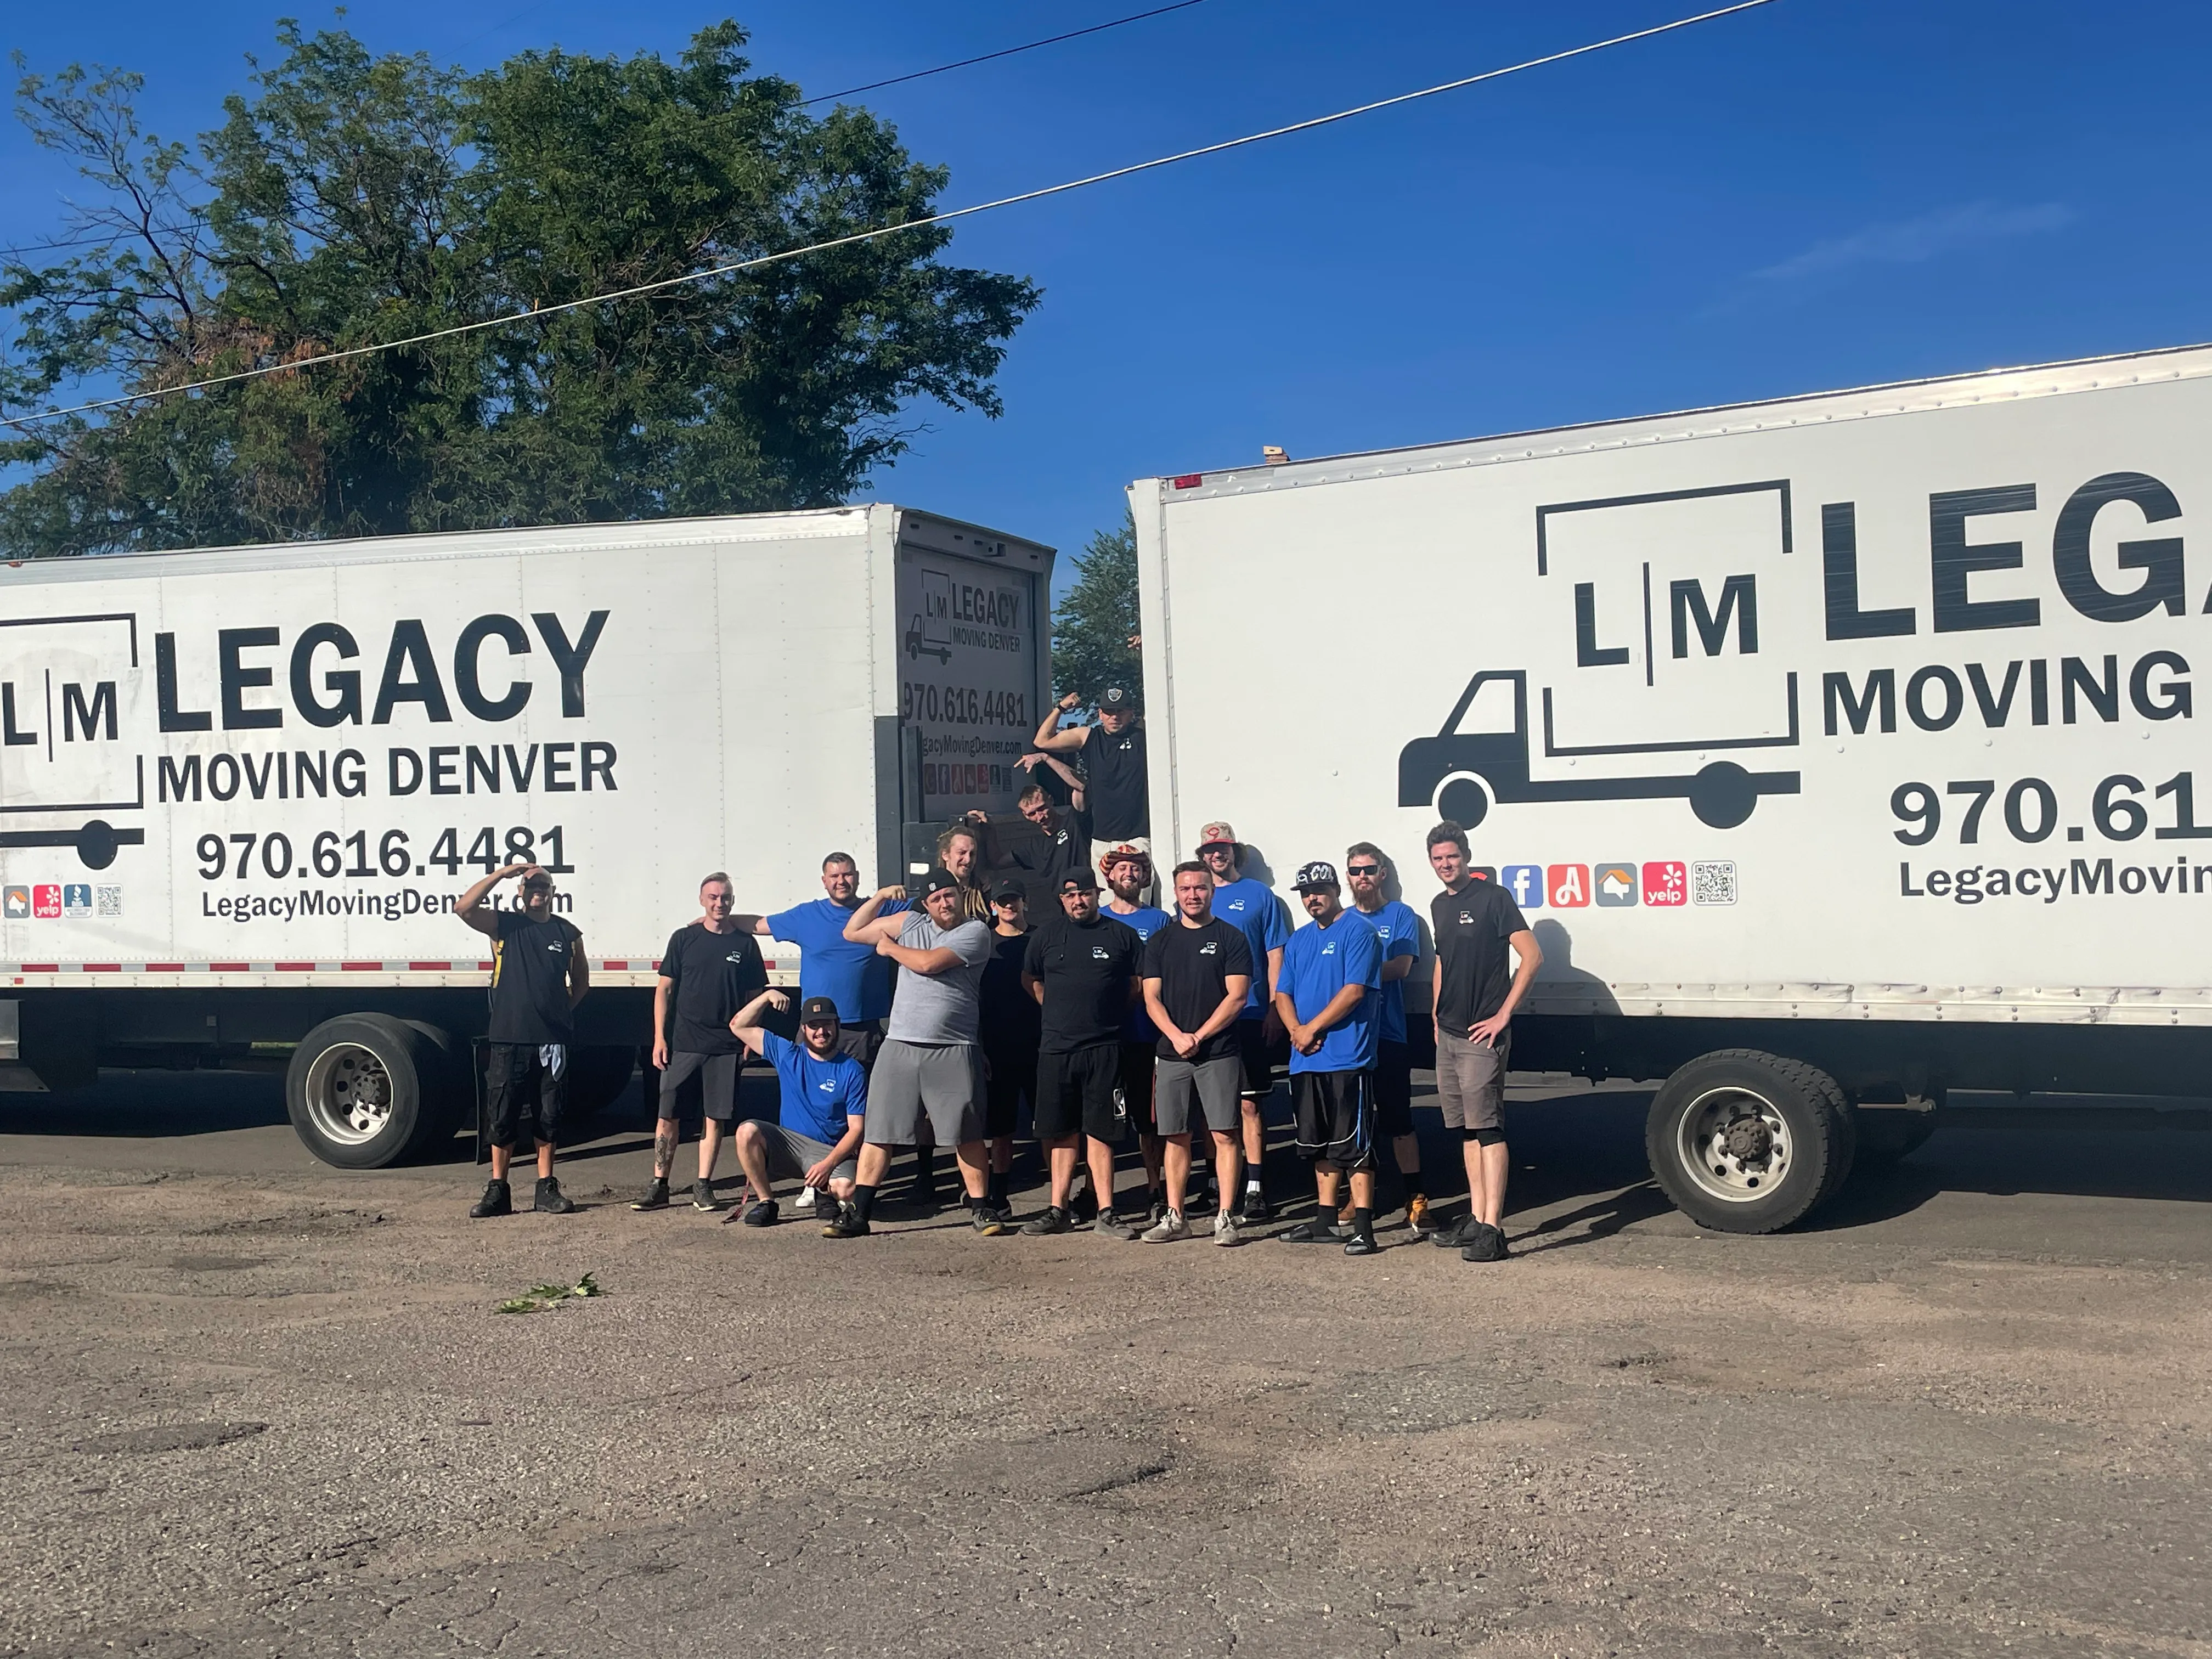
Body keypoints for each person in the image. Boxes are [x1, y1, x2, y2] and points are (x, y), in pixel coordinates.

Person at [825, 868, 1000, 1237]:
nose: (944, 903)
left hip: (953, 1046)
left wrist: (889, 948)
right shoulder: (909, 920)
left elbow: (929, 963)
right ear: (926, 903)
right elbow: (852, 932)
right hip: (900, 1044)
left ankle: (983, 1209)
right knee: (879, 1131)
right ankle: (859, 1214)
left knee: (965, 1132)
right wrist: (880, 897)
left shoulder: (976, 931)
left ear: (960, 895)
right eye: (935, 899)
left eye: (949, 895)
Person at [1426, 820, 1541, 1262]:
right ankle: (1475, 1218)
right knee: (1467, 1131)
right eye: (1437, 859)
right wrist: (1436, 1014)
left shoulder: (1494, 898)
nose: (1445, 865)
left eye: (1452, 857)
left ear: (1466, 857)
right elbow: (1442, 961)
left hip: (1481, 1033)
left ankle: (1494, 1228)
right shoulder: (1438, 905)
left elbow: (1532, 956)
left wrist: (1503, 1015)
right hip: (1449, 1034)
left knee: (1489, 1128)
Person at [457, 863, 589, 1218]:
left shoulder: (567, 932)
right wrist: (500, 875)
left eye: (544, 885)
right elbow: (463, 908)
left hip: (552, 1042)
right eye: (531, 884)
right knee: (503, 1114)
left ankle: (546, 1187)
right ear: (520, 891)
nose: (538, 890)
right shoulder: (507, 925)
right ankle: (498, 1189)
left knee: (549, 1115)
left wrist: (558, 1013)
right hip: (509, 1037)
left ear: (553, 891)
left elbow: (581, 984)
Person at [1018, 870, 1144, 1238]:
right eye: (1070, 894)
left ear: (1097, 894)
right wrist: (1054, 1009)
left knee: (1102, 1133)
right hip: (1057, 1050)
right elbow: (1031, 980)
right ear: (1061, 898)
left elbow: (1137, 983)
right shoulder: (1046, 937)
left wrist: (1109, 1014)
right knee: (1060, 1133)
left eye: (1085, 893)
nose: (1078, 900)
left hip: (1105, 1049)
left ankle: (1106, 1211)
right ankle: (1058, 1208)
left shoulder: (1121, 935)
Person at [633, 872, 769, 1214]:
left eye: (725, 898)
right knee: (668, 1114)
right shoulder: (684, 940)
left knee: (714, 1117)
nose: (719, 903)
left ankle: (703, 1185)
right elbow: (664, 990)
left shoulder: (745, 944)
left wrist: (751, 1035)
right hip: (685, 1042)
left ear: (733, 901)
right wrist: (659, 1038)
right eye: (712, 897)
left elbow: (756, 996)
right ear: (701, 900)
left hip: (726, 1045)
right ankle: (659, 1184)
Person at [1272, 861, 1385, 1256]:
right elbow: (1282, 993)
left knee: (1353, 1146)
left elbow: (1355, 991)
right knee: (1317, 1144)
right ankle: (1325, 1219)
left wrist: (1313, 1028)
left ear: (1337, 890)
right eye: (1305, 893)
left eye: (1319, 890)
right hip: (1306, 1059)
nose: (1312, 898)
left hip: (1347, 1057)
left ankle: (1363, 1227)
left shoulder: (1360, 932)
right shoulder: (1299, 940)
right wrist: (1295, 1032)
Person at [1139, 861, 1254, 1244]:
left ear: (1212, 891)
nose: (1193, 895)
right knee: (1176, 1136)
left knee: (1224, 1134)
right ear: (1176, 893)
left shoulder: (1231, 938)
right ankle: (1176, 1217)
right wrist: (1176, 1036)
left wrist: (1199, 1036)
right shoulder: (1160, 942)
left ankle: (1226, 1217)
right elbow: (1151, 998)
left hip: (1218, 1052)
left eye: (1200, 888)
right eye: (1186, 889)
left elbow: (1237, 997)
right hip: (1172, 1055)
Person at [1195, 820, 1289, 1221]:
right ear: (1202, 856)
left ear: (1236, 852)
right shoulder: (1196, 896)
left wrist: (1273, 1007)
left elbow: (1275, 954)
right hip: (1205, 1019)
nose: (1218, 854)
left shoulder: (1259, 895)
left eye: (1225, 848)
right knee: (1209, 1107)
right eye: (1211, 849)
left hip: (1250, 1014)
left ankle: (1254, 1185)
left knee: (1250, 1106)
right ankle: (1214, 1182)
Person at [736, 853, 906, 1066]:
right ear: (824, 881)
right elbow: (760, 925)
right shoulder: (807, 915)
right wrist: (718, 920)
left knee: (859, 1095)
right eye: (834, 876)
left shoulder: (883, 910)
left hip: (861, 1031)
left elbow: (932, 906)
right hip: (816, 1026)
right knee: (810, 1092)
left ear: (858, 877)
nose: (841, 881)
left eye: (847, 875)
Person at [1344, 843, 1430, 1237]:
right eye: (1355, 870)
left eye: (1369, 870)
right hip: (1349, 1039)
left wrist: (1352, 976)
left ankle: (1416, 1198)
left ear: (1383, 875)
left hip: (1389, 1035)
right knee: (1357, 1123)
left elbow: (1400, 967)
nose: (1362, 877)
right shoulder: (1341, 919)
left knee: (1399, 1122)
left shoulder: (1401, 916)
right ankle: (1360, 1198)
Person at [726, 992, 867, 1226]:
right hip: (789, 1146)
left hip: (828, 1152)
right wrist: (767, 996)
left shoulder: (852, 1070)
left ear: (838, 1026)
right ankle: (766, 1203)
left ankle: (825, 1192)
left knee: (847, 1189)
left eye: (827, 1025)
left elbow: (857, 1129)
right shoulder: (788, 1054)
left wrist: (828, 1165)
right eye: (814, 1026)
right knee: (746, 1131)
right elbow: (738, 1025)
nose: (821, 1032)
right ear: (803, 1029)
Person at [1099, 844, 1173, 1221]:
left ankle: (1154, 1187)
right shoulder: (1094, 918)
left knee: (1149, 1119)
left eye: (1136, 869)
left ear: (1144, 877)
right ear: (1108, 875)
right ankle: (1101, 1196)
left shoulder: (1159, 920)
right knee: (1102, 1121)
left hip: (1147, 1035)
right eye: (1121, 868)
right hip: (1105, 1038)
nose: (1129, 874)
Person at [1030, 686, 1150, 888]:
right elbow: (1042, 740)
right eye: (1109, 712)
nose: (1115, 717)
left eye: (1121, 711)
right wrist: (1061, 708)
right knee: (1105, 905)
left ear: (1131, 713)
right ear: (1100, 714)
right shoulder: (1089, 737)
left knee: (1135, 900)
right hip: (1101, 838)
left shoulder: (1144, 737)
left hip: (1137, 836)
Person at [977, 879, 1040, 1222]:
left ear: (1024, 902)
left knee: (1049, 1125)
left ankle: (1059, 1200)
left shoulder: (1041, 938)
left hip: (1040, 1045)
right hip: (997, 1047)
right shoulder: (982, 942)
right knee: (1002, 1130)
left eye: (1014, 899)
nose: (1009, 906)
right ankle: (999, 1196)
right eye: (1002, 901)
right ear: (993, 907)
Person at [977, 781, 1092, 913]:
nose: (1040, 817)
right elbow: (998, 861)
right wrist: (989, 828)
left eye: (1042, 808)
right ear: (1025, 816)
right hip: (1065, 910)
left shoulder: (1074, 822)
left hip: (1091, 901)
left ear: (1051, 800)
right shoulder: (1035, 847)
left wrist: (1046, 759)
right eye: (1032, 814)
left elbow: (1080, 787)